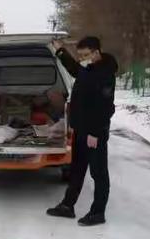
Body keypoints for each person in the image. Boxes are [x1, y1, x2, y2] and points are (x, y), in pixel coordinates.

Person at [47, 36, 118, 226]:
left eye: (85, 55)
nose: (82, 59)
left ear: (96, 52)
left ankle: (97, 213)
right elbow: (75, 69)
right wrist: (60, 50)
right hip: (81, 130)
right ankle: (67, 206)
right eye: (80, 56)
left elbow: (105, 107)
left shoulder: (105, 74)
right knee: (77, 170)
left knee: (98, 173)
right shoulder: (90, 68)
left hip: (95, 133)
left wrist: (95, 133)